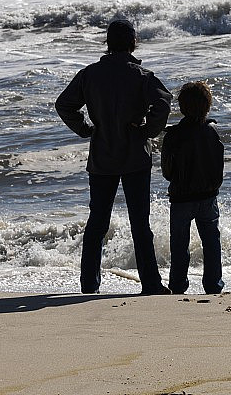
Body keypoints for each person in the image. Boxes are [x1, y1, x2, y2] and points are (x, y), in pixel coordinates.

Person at [55, 18, 172, 295]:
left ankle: (89, 284)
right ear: (133, 43)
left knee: (97, 222)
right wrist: (148, 131)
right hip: (135, 156)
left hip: (102, 156)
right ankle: (151, 283)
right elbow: (164, 102)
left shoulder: (90, 74)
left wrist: (85, 129)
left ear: (107, 44)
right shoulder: (141, 75)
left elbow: (64, 104)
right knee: (140, 223)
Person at [161, 81, 224, 295]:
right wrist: (213, 187)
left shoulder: (172, 135)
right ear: (208, 105)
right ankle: (213, 285)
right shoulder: (212, 131)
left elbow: (167, 172)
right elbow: (218, 167)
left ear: (182, 107)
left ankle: (178, 285)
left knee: (179, 245)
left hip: (180, 197)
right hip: (207, 196)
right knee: (212, 243)